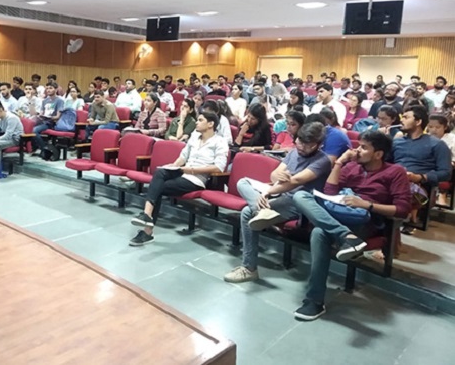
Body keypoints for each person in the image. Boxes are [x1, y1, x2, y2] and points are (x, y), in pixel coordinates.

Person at [291, 130, 411, 321]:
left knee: (319, 232)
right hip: (339, 214)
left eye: (364, 147)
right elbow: (330, 191)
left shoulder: (395, 172)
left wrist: (367, 205)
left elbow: (403, 209)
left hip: (365, 221)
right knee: (300, 196)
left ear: (378, 154)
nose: (357, 150)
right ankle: (346, 236)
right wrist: (339, 163)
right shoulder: (352, 166)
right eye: (358, 145)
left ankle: (314, 301)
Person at [224, 123, 331, 284]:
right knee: (242, 183)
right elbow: (274, 175)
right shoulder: (294, 152)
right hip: (282, 197)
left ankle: (249, 268)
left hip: (300, 204)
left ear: (318, 145)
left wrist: (267, 193)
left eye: (307, 145)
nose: (301, 147)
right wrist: (277, 177)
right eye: (300, 141)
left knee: (247, 212)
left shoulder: (323, 161)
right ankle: (262, 212)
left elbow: (296, 181)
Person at [129, 112, 229, 246]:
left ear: (210, 124)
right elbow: (183, 156)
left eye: (200, 120)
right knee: (160, 172)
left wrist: (191, 170)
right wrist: (173, 166)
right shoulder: (194, 136)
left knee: (157, 188)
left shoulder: (220, 142)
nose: (196, 122)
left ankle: (147, 231)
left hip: (196, 179)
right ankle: (146, 215)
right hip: (182, 171)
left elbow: (219, 167)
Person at [393, 105, 451, 233]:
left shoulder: (437, 144)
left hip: (419, 184)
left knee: (406, 188)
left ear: (418, 122)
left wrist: (420, 177)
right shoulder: (397, 142)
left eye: (406, 117)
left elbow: (446, 173)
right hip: (395, 178)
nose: (401, 120)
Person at [33, 82, 64, 154]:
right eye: (47, 88)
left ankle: (44, 149)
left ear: (56, 89)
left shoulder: (59, 101)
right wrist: (39, 116)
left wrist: (49, 118)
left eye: (50, 88)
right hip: (43, 121)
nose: (48, 90)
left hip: (51, 123)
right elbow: (41, 113)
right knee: (28, 128)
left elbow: (58, 116)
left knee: (34, 131)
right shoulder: (44, 101)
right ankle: (38, 147)